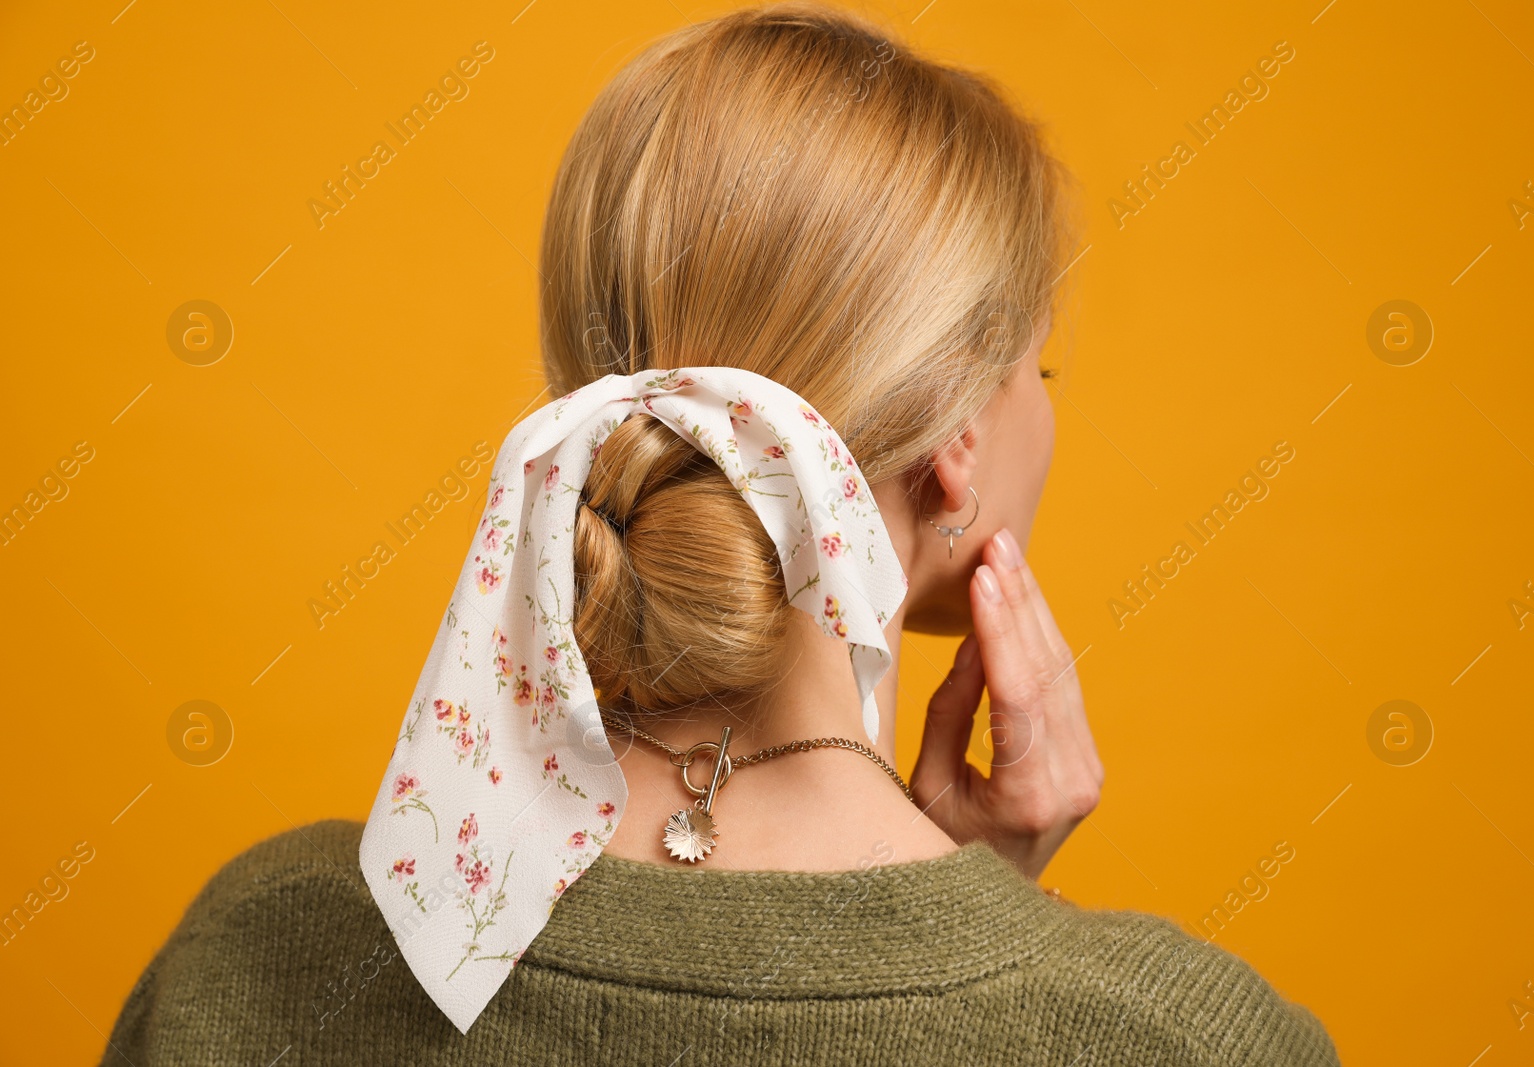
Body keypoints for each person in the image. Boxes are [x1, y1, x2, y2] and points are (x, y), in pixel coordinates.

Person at [100, 4, 1339, 1063]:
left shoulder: (254, 957)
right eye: (1040, 369)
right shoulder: (1170, 1037)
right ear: (956, 434)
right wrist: (985, 924)